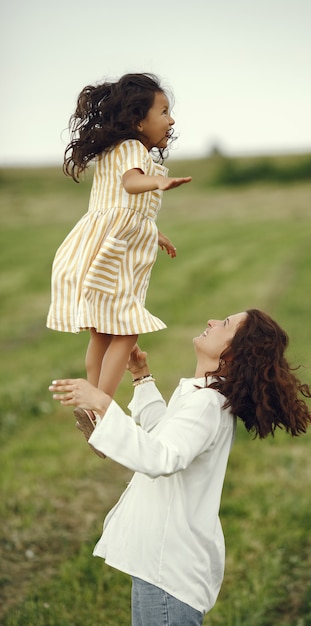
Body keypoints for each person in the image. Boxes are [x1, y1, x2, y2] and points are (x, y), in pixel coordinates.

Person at [49, 309, 311, 625]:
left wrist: (103, 404)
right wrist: (142, 376)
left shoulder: (207, 404)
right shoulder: (205, 397)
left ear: (235, 352)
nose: (212, 321)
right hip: (162, 567)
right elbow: (165, 438)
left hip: (167, 572)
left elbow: (161, 458)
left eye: (224, 324)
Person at [46, 73, 192, 439]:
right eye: (163, 111)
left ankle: (90, 408)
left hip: (99, 248)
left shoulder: (114, 150)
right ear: (138, 120)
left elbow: (122, 206)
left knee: (102, 335)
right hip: (115, 258)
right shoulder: (133, 150)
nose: (170, 120)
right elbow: (130, 184)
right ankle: (100, 408)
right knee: (125, 331)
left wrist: (154, 232)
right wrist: (156, 181)